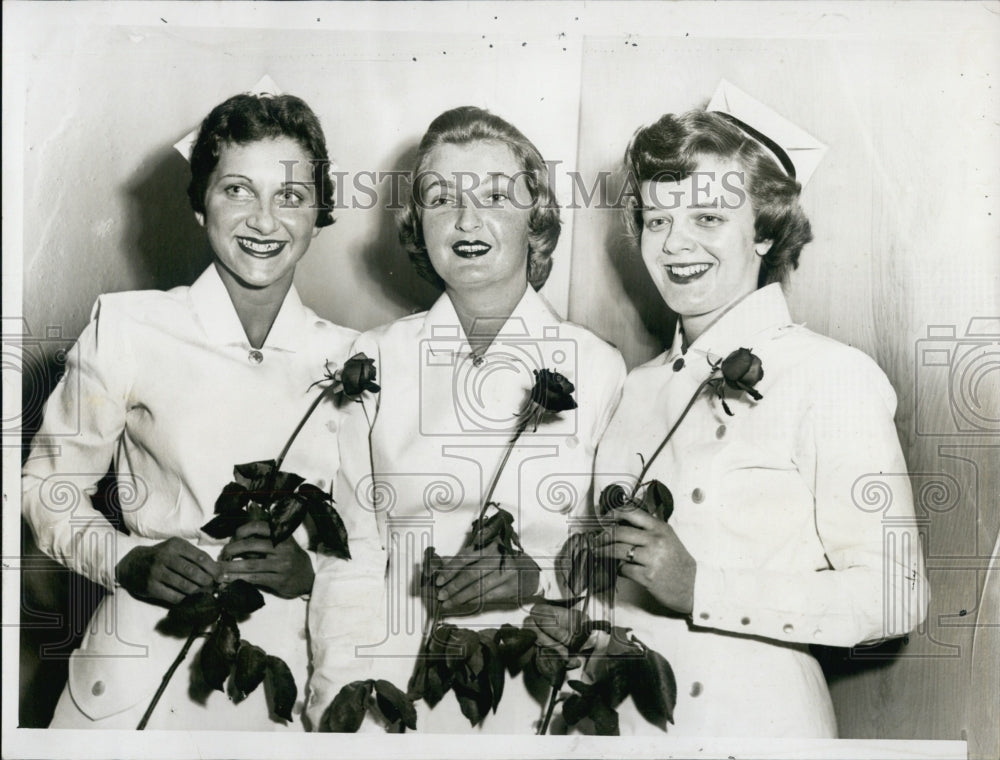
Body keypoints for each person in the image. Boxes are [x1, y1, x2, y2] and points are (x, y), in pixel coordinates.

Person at [551, 107, 928, 736]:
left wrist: (703, 586)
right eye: (658, 219)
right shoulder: (631, 389)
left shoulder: (830, 374)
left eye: (707, 218)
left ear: (763, 231)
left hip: (756, 728)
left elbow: (897, 594)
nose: (675, 243)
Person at [21, 92, 358, 730]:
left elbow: (368, 540)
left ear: (319, 212)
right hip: (131, 690)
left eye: (289, 196)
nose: (264, 220)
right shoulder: (128, 326)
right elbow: (46, 487)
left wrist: (311, 571)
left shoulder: (351, 358)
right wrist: (124, 557)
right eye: (237, 189)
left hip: (271, 695)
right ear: (200, 200)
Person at [307, 106, 626, 733]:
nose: (467, 219)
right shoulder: (372, 360)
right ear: (417, 222)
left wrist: (536, 578)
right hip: (390, 694)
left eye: (496, 195)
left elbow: (616, 568)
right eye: (441, 197)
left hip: (536, 703)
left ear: (536, 217)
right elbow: (351, 556)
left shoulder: (599, 368)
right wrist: (340, 701)